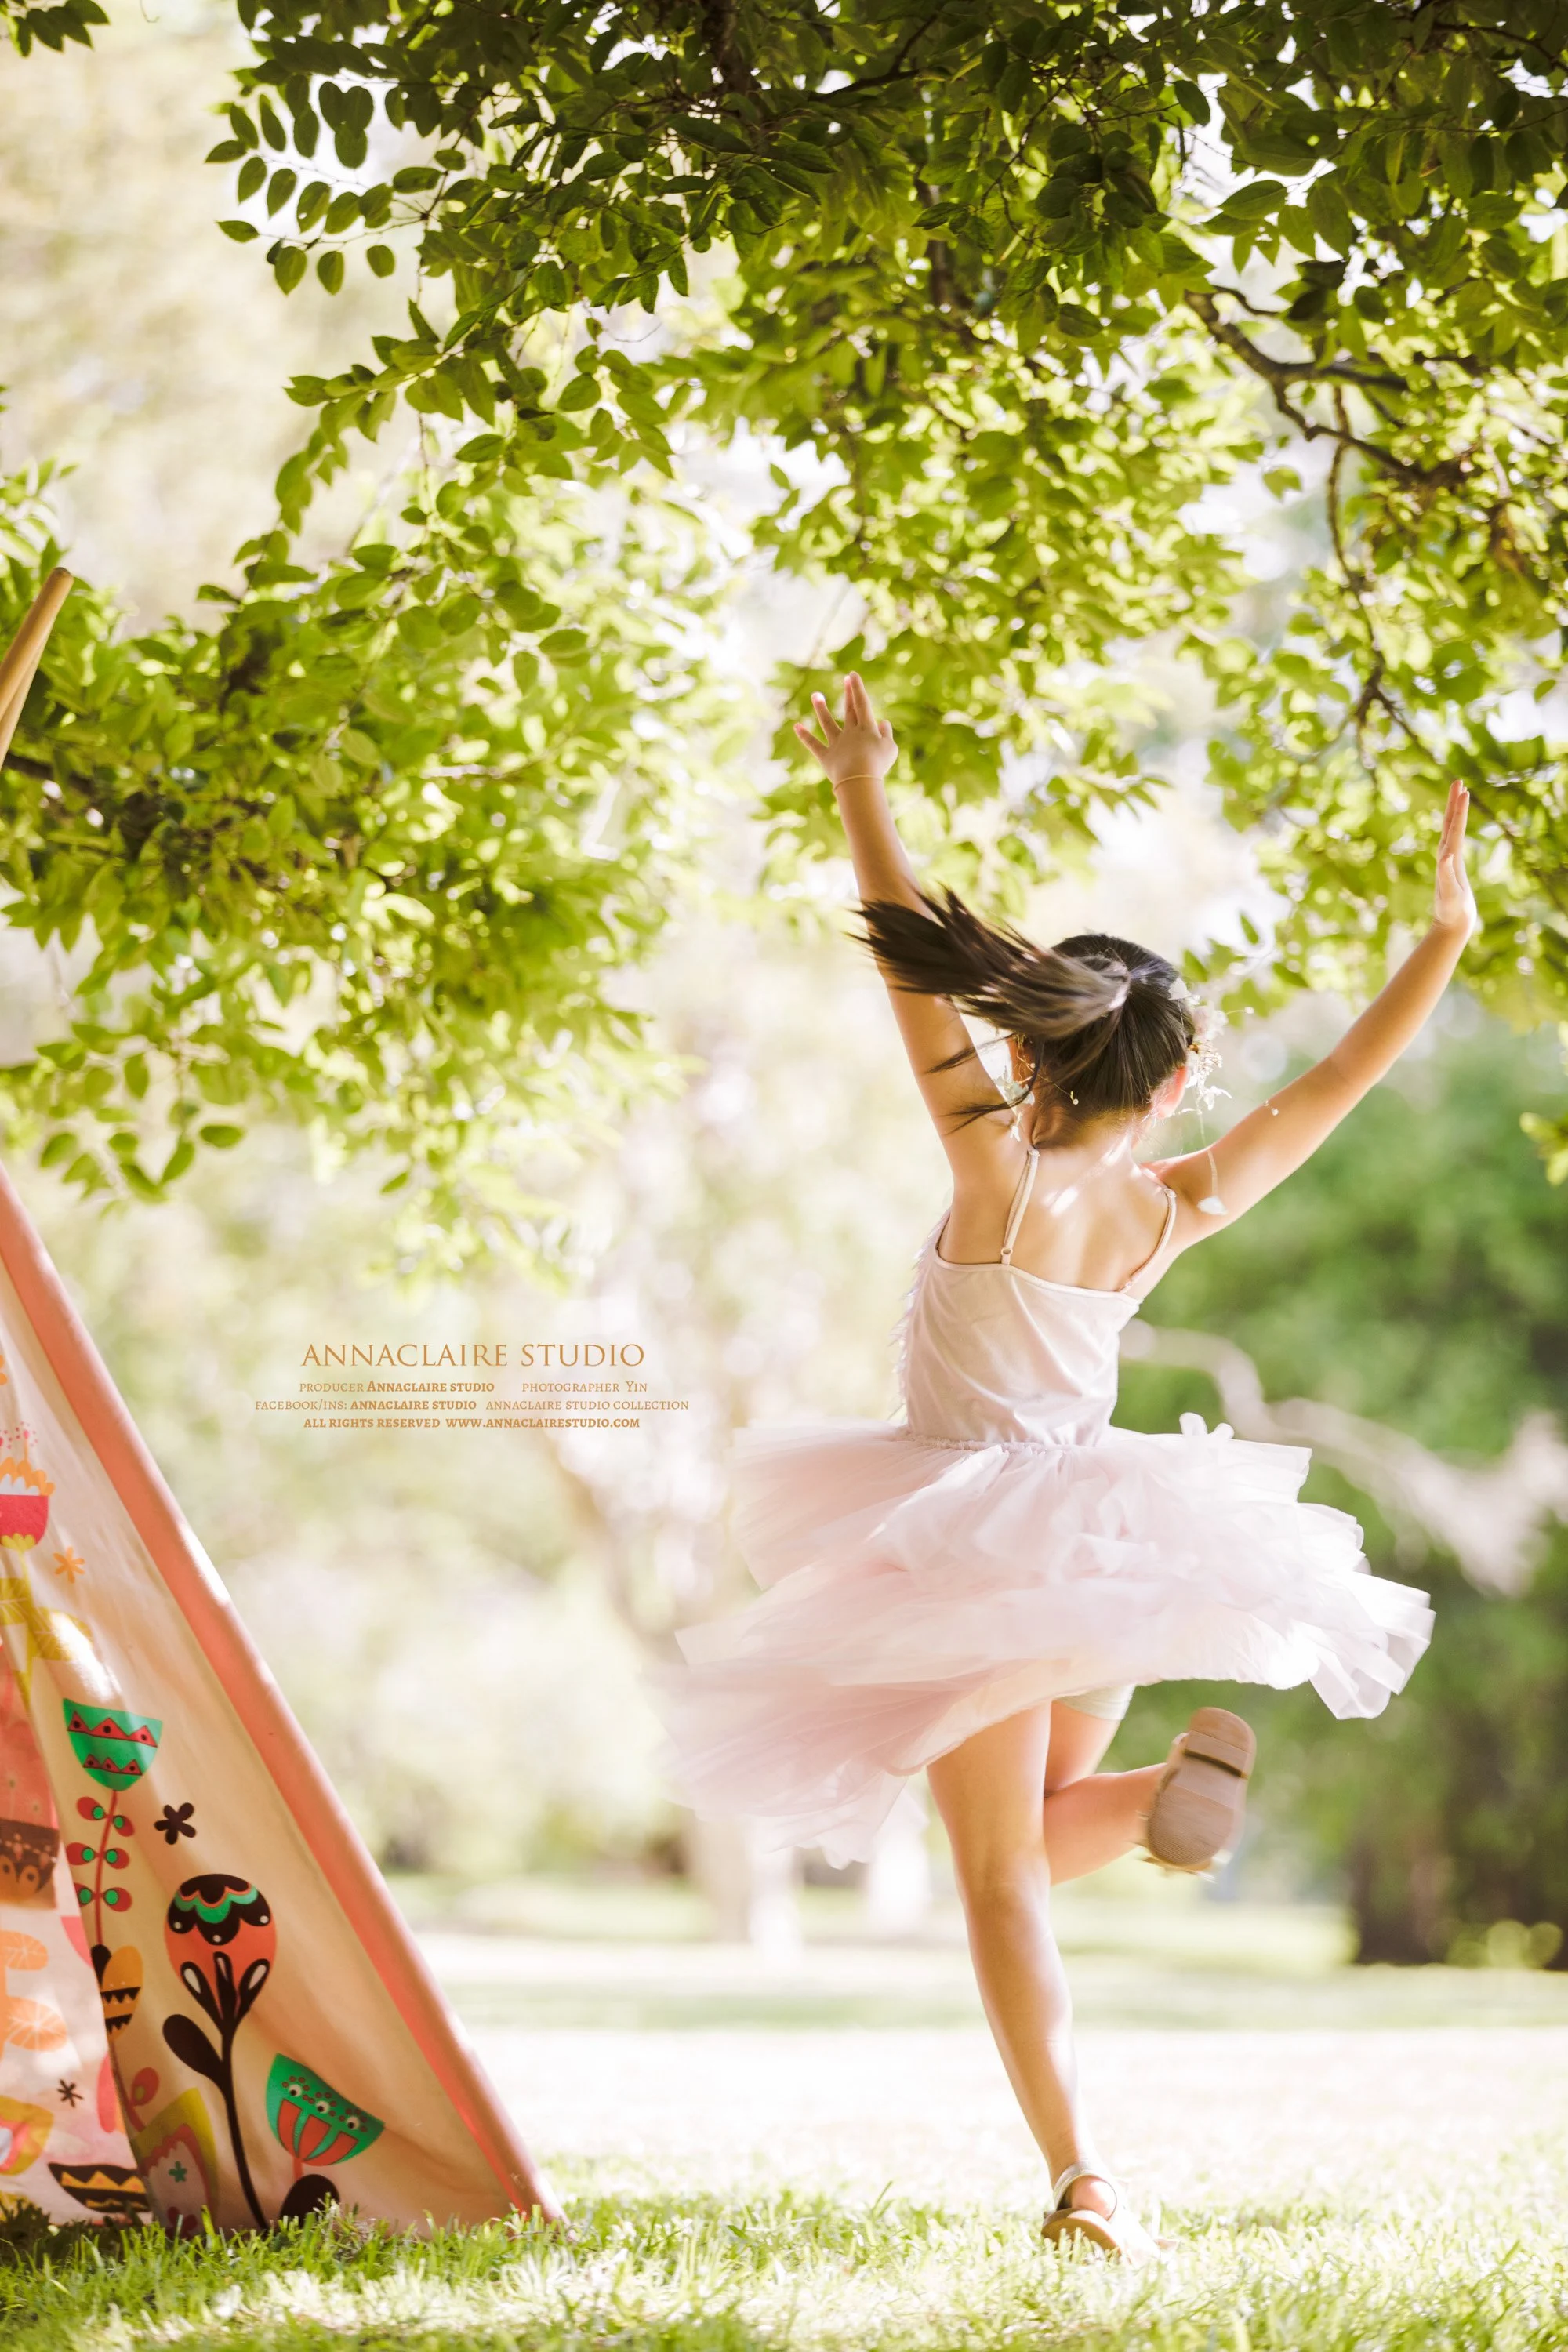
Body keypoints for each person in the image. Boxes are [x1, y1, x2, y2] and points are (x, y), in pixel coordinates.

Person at [659, 674, 1475, 2259]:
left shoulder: (992, 1165)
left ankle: (1082, 2178)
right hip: (1106, 1547)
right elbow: (1328, 1090)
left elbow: (906, 969)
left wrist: (858, 786)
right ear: (1169, 1086)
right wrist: (1435, 944)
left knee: (992, 1887)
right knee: (1020, 1847)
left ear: (1032, 1055)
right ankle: (1164, 1794)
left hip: (956, 1540)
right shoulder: (1173, 1206)